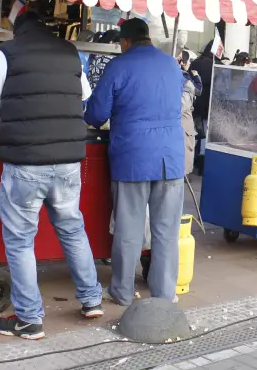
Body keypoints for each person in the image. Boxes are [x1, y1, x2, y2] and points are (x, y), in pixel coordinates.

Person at [0, 11, 101, 339]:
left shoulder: (8, 52)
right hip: (68, 162)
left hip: (27, 163)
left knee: (19, 241)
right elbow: (84, 97)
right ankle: (91, 300)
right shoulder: (70, 52)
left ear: (17, 31)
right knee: (73, 229)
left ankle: (29, 319)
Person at [85, 18, 185, 307]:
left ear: (125, 42)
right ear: (148, 38)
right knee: (166, 231)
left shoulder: (120, 65)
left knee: (129, 230)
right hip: (170, 158)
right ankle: (164, 295)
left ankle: (122, 293)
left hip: (133, 157)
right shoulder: (171, 64)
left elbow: (95, 114)